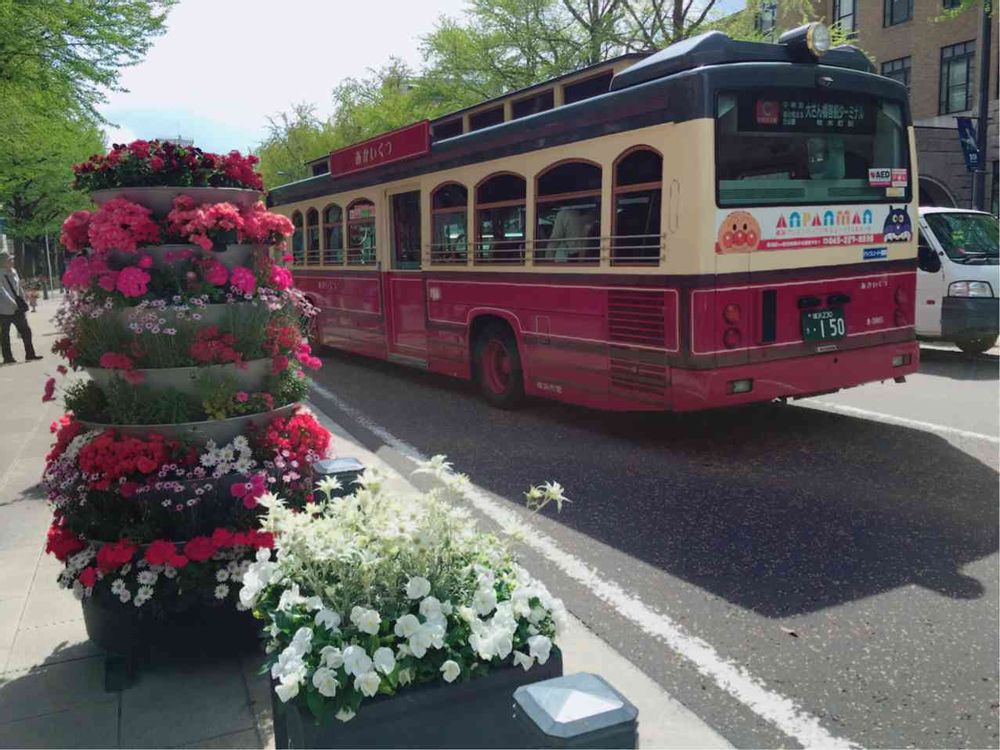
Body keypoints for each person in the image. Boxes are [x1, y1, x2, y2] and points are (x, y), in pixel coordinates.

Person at [0, 252, 42, 364]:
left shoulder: (14, 272)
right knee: (5, 335)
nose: (12, 261)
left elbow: (18, 288)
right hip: (4, 310)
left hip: (17, 308)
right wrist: (12, 302)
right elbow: (2, 292)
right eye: (10, 260)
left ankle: (30, 354)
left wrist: (24, 299)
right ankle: (8, 357)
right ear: (3, 262)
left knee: (26, 331)